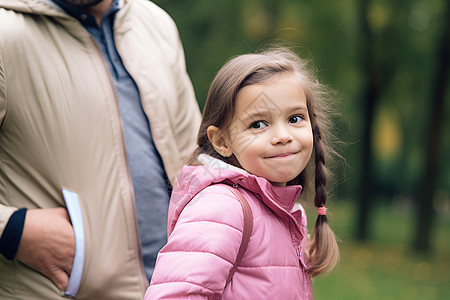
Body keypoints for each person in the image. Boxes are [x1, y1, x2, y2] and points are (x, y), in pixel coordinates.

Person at [0, 0, 201, 298]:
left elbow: (197, 163)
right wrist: (12, 229)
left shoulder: (155, 22)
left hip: (175, 290)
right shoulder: (5, 31)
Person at [145, 48, 340, 299]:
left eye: (295, 118)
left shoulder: (286, 212)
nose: (282, 136)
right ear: (222, 141)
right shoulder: (221, 208)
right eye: (258, 124)